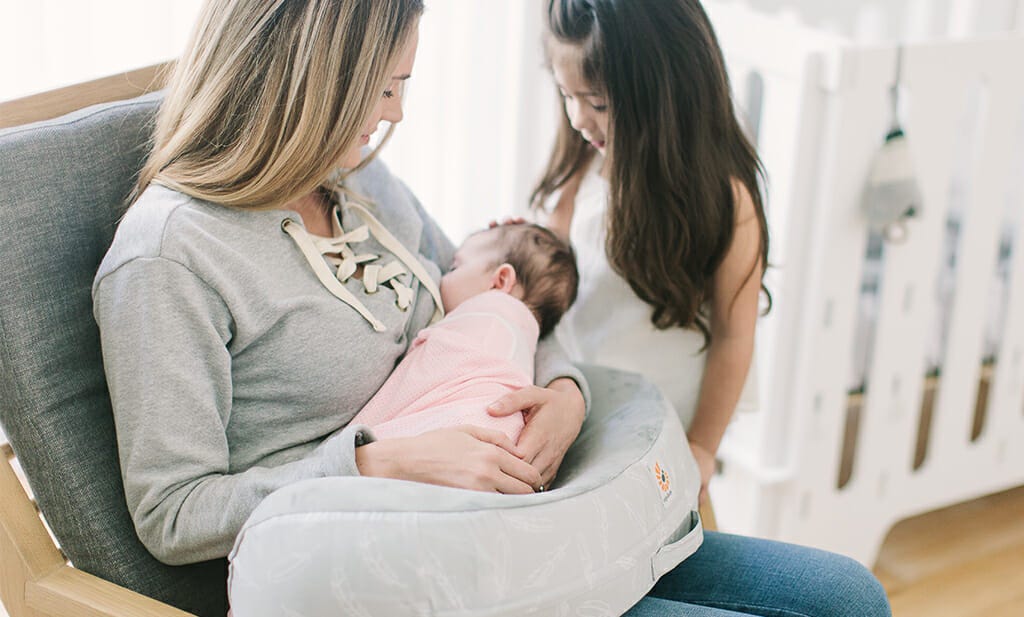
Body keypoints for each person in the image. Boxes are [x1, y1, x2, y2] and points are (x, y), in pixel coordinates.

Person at [92, 0, 588, 567]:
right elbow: (174, 515)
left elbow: (500, 297)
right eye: (382, 90)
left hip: (492, 522)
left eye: (402, 85)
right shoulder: (171, 257)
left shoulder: (354, 172)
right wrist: (382, 463)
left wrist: (565, 395)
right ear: (307, 82)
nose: (397, 113)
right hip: (362, 566)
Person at [531, 1, 891, 615]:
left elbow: (734, 338)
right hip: (586, 424)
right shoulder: (578, 175)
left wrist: (702, 447)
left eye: (599, 103)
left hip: (668, 442)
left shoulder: (724, 200)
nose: (579, 117)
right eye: (567, 95)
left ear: (663, 94)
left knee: (695, 558)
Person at [350, 223, 579, 443]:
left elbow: (414, 380)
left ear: (500, 281)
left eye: (455, 267)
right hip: (504, 437)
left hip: (463, 426)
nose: (443, 277)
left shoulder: (485, 317)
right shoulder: (522, 340)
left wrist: (359, 436)